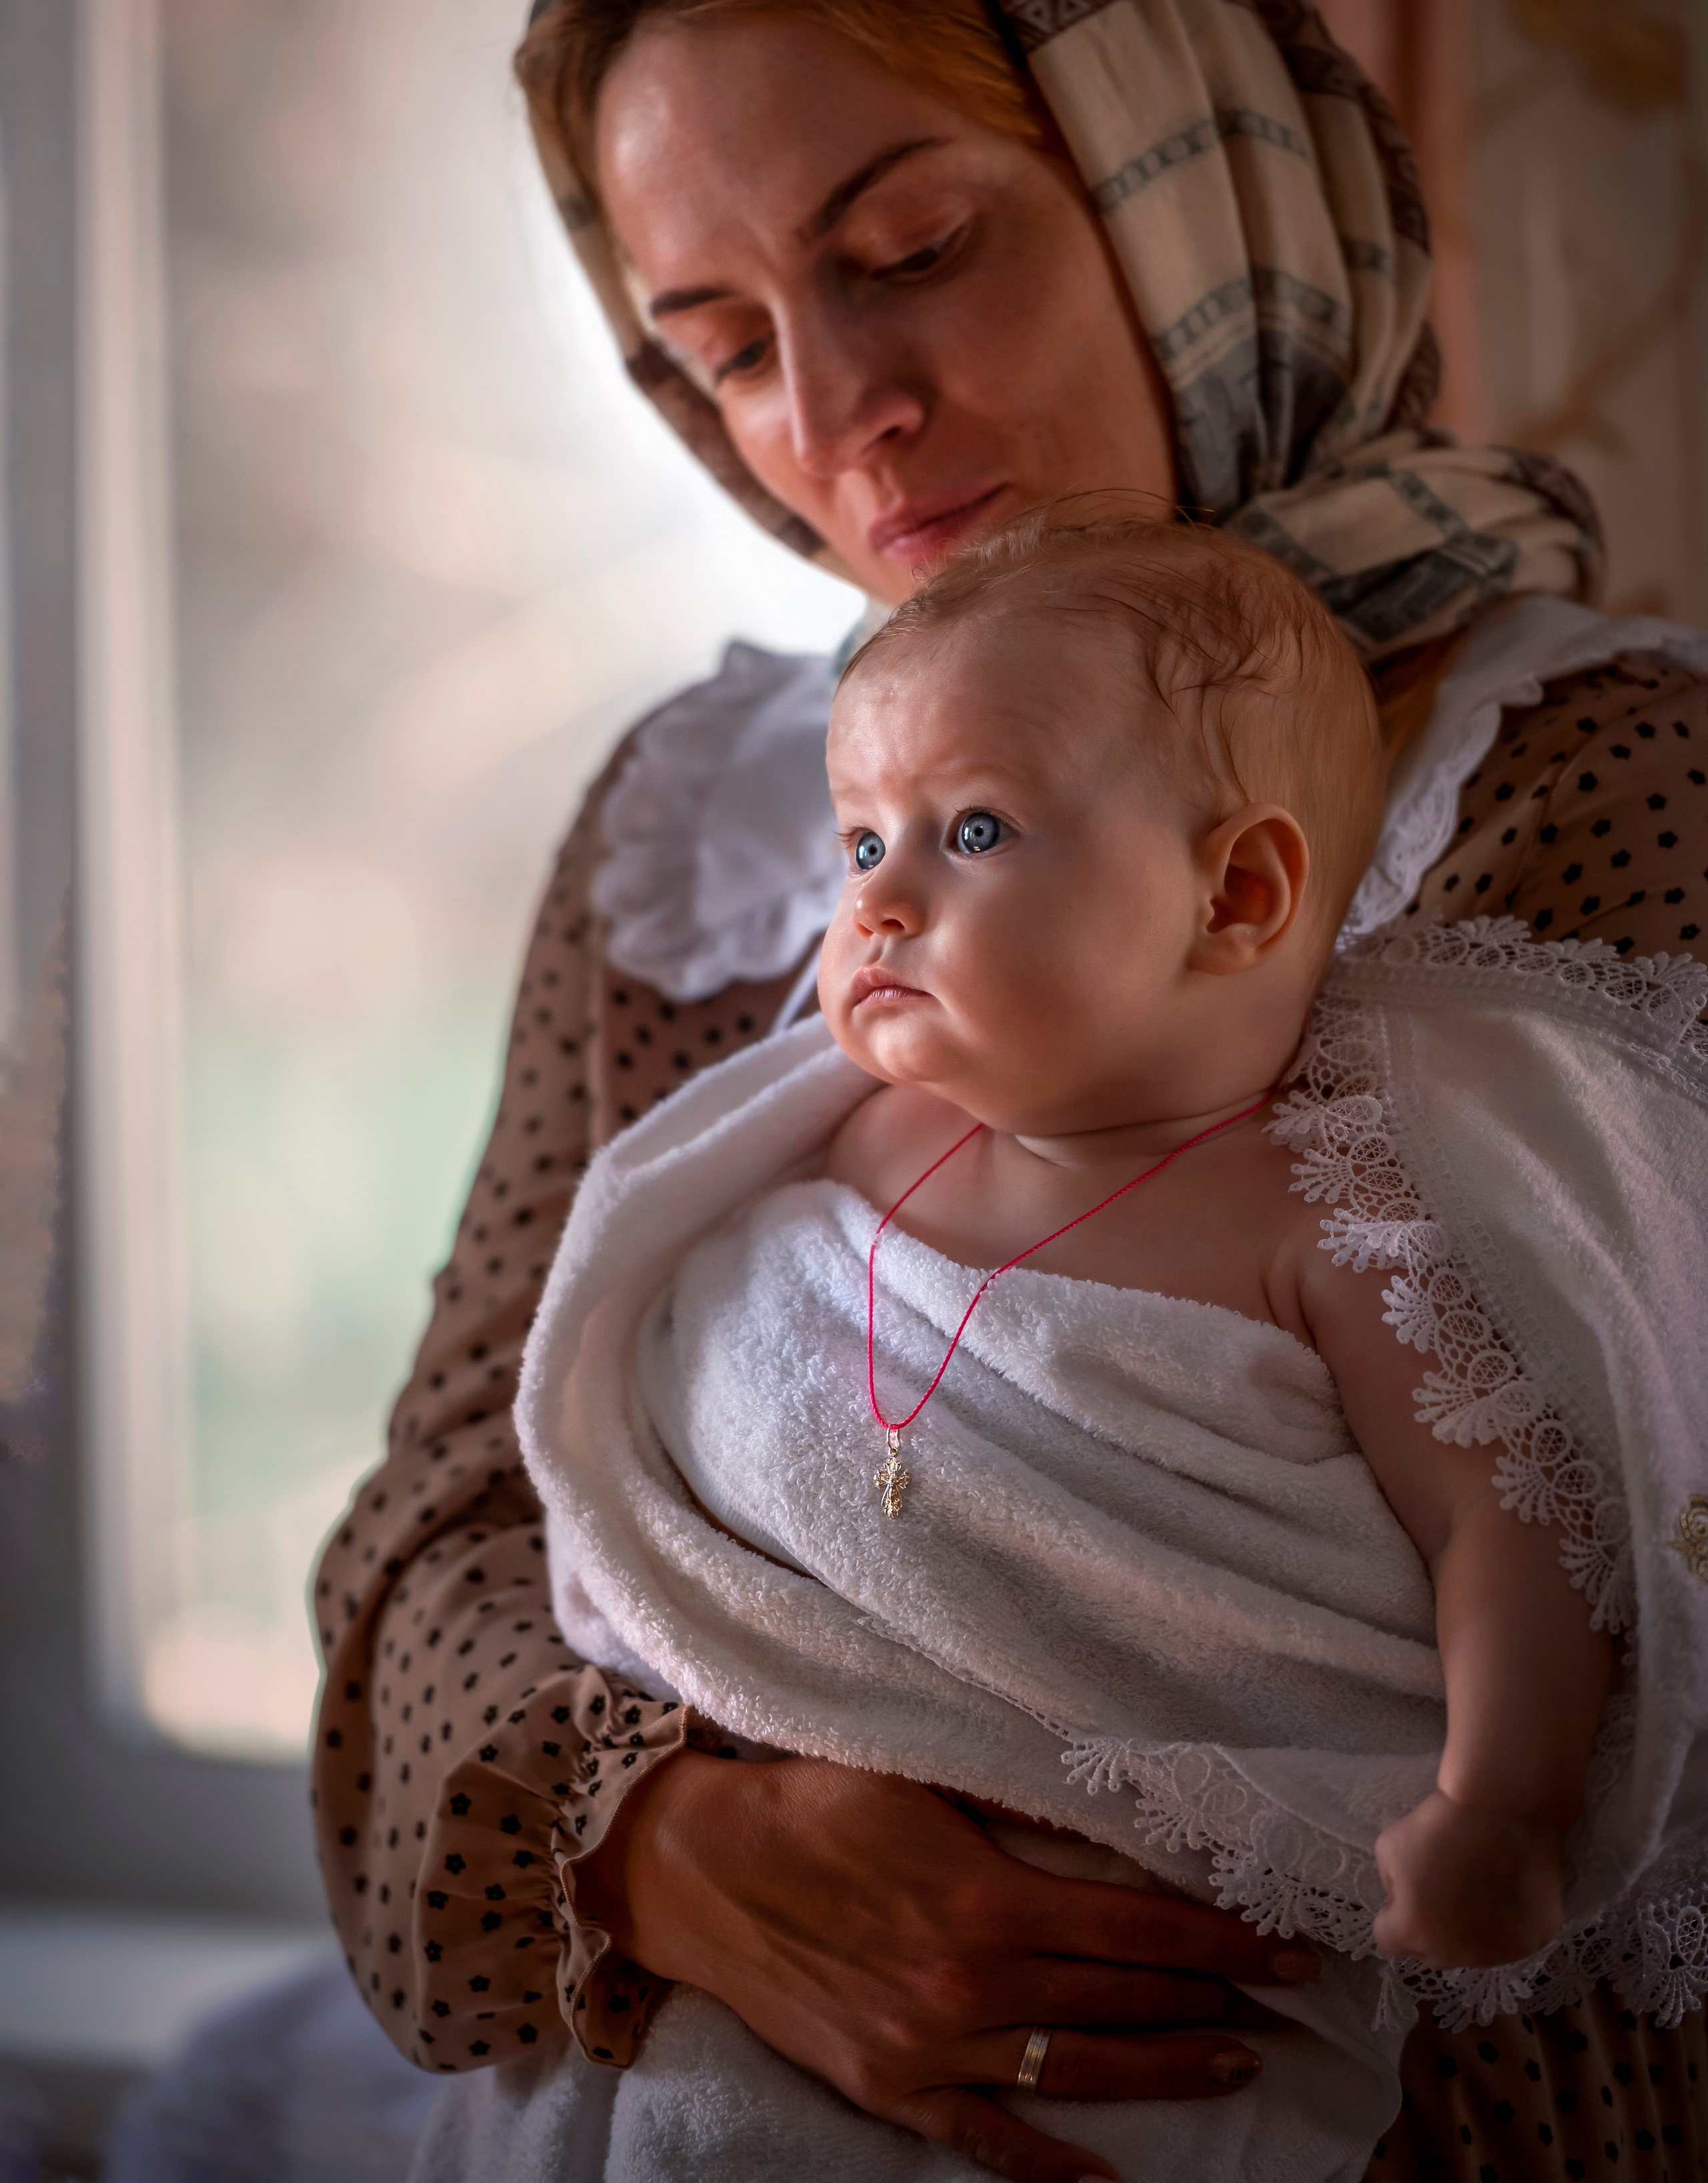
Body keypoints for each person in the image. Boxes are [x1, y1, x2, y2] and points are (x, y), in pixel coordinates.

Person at [311, 0, 1708, 2180]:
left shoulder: (1618, 783)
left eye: (917, 246)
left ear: (1197, 189)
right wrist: (675, 1851)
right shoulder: (716, 824)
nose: (840, 409)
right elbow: (425, 1557)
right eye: (724, 341)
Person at [446, 508, 1704, 2183]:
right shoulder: (842, 1142)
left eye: (970, 829)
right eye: (858, 841)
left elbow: (1510, 1522)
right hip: (797, 1901)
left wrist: (1496, 1807)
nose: (880, 899)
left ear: (1232, 893)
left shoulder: (1321, 1216)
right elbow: (684, 1385)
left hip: (1144, 1939)